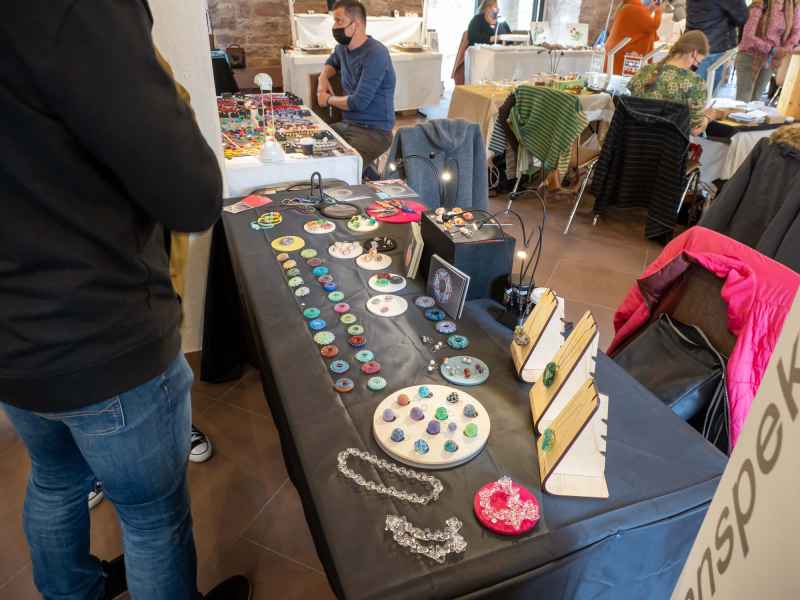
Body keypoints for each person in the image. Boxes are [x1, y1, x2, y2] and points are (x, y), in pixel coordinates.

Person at [1, 2, 249, 600]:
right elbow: (194, 195)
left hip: (13, 337)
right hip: (103, 335)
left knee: (55, 479)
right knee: (151, 519)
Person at [318, 0, 397, 173]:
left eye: (339, 21)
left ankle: (363, 176)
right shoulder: (342, 48)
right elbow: (331, 63)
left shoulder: (376, 53)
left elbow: (359, 102)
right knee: (313, 147)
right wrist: (323, 77)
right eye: (334, 21)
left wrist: (328, 99)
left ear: (357, 25)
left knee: (339, 167)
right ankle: (365, 172)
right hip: (348, 124)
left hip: (375, 132)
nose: (334, 27)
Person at [628, 31, 712, 135]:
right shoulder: (695, 82)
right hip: (667, 143)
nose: (694, 68)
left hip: (634, 138)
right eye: (697, 63)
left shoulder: (644, 71)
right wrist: (709, 117)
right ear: (694, 53)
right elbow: (695, 130)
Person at [736, 0, 800, 101]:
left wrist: (784, 50)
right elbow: (748, 36)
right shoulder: (760, 3)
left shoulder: (792, 6)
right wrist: (772, 49)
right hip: (750, 56)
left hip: (771, 60)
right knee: (742, 101)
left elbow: (796, 32)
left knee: (755, 101)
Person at [686, 0, 748, 94]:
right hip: (714, 46)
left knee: (690, 90)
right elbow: (742, 16)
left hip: (694, 42)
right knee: (703, 94)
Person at [605, 0, 663, 75]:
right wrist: (659, 11)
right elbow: (652, 26)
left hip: (619, 51)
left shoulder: (628, 6)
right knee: (624, 80)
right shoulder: (635, 8)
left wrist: (650, 10)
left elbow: (640, 21)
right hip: (626, 54)